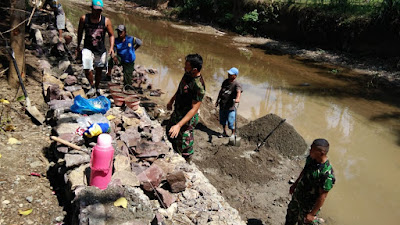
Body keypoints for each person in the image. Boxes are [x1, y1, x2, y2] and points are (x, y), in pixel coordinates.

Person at [285, 138, 336, 225]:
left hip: (308, 207)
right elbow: (304, 171)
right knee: (290, 219)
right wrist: (295, 185)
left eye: (312, 149)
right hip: (298, 197)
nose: (309, 150)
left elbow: (322, 197)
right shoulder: (311, 159)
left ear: (321, 153)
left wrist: (312, 214)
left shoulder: (327, 174)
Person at [166, 54, 206, 162]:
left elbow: (194, 109)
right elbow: (180, 88)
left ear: (194, 69)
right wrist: (171, 100)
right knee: (169, 132)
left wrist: (179, 125)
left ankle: (186, 162)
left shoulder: (199, 87)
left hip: (187, 117)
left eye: (187, 66)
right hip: (178, 111)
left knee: (184, 143)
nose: (184, 67)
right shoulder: (187, 74)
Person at [76, 0, 115, 96]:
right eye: (95, 10)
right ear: (91, 9)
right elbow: (80, 32)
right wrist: (78, 45)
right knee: (87, 67)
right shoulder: (84, 19)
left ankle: (97, 87)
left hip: (100, 49)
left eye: (99, 11)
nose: (97, 12)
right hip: (88, 48)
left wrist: (111, 47)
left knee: (99, 69)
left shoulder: (106, 21)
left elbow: (111, 35)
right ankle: (92, 85)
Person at [215, 67, 242, 138]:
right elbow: (221, 91)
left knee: (231, 122)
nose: (229, 75)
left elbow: (238, 91)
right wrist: (217, 101)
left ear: (235, 76)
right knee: (223, 121)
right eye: (229, 73)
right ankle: (224, 132)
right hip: (222, 105)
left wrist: (238, 98)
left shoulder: (236, 84)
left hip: (230, 107)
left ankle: (233, 134)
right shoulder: (225, 82)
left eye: (231, 74)